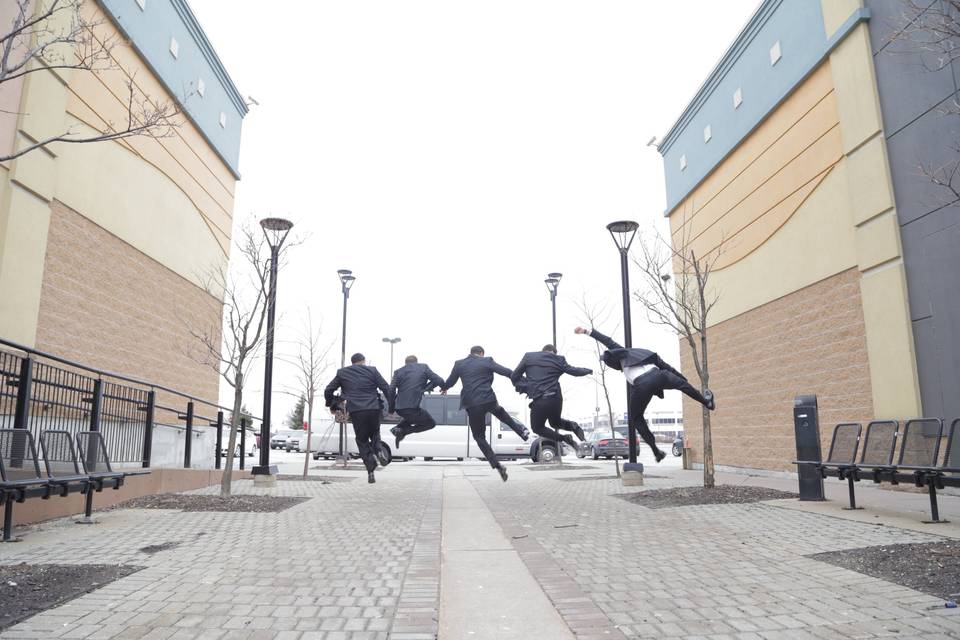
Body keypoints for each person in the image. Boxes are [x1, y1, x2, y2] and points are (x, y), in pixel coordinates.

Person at [575, 326, 715, 462]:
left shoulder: (622, 356)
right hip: (660, 375)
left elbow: (607, 341)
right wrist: (681, 380)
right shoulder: (640, 353)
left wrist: (587, 332)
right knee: (683, 386)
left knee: (636, 418)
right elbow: (667, 367)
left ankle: (656, 451)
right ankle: (707, 402)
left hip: (642, 385)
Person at [442, 345, 529, 482]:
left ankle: (497, 464)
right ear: (482, 353)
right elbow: (505, 371)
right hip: (488, 399)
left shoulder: (459, 364)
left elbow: (450, 381)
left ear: (471, 353)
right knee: (501, 413)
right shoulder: (487, 361)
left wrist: (444, 388)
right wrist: (523, 380)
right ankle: (522, 432)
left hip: (471, 403)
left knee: (479, 437)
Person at [323, 352, 395, 484]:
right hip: (373, 408)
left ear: (352, 362)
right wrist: (391, 407)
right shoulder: (372, 371)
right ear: (363, 361)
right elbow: (386, 388)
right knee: (375, 434)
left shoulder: (342, 373)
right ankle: (379, 451)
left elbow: (328, 390)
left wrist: (331, 405)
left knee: (362, 440)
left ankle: (370, 470)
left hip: (357, 411)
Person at [511, 344, 592, 454]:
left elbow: (515, 376)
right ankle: (573, 426)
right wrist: (588, 370)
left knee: (537, 427)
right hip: (556, 399)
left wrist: (524, 386)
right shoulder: (559, 359)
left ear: (543, 350)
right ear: (553, 352)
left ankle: (565, 439)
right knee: (555, 422)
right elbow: (574, 371)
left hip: (540, 401)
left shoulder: (529, 357)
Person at [388, 355, 445, 448]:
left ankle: (398, 429)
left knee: (411, 417)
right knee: (431, 423)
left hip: (399, 409)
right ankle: (402, 431)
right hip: (412, 408)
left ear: (405, 363)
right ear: (416, 362)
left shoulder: (398, 371)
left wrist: (391, 409)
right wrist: (443, 387)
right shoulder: (423, 367)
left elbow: (391, 390)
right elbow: (439, 380)